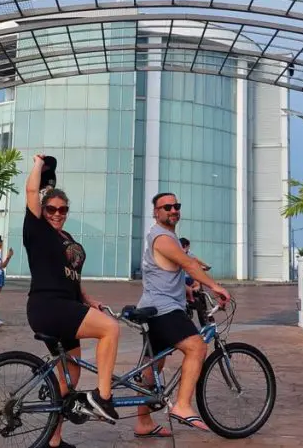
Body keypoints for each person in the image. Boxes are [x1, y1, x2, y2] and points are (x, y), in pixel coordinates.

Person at [22, 154, 121, 447]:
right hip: (48, 307)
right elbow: (30, 191)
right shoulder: (36, 228)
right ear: (42, 208)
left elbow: (71, 276)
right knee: (110, 329)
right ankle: (103, 397)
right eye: (51, 208)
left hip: (66, 307)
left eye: (62, 209)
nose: (56, 213)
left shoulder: (64, 235)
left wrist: (88, 300)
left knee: (71, 373)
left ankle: (54, 440)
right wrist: (39, 164)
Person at [134, 193, 230, 437]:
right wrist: (215, 286)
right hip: (163, 309)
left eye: (176, 206)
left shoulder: (167, 237)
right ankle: (183, 406)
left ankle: (143, 422)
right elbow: (188, 265)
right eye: (166, 207)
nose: (173, 210)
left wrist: (186, 290)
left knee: (153, 364)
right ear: (156, 212)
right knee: (196, 347)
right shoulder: (162, 237)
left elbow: (171, 267)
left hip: (154, 307)